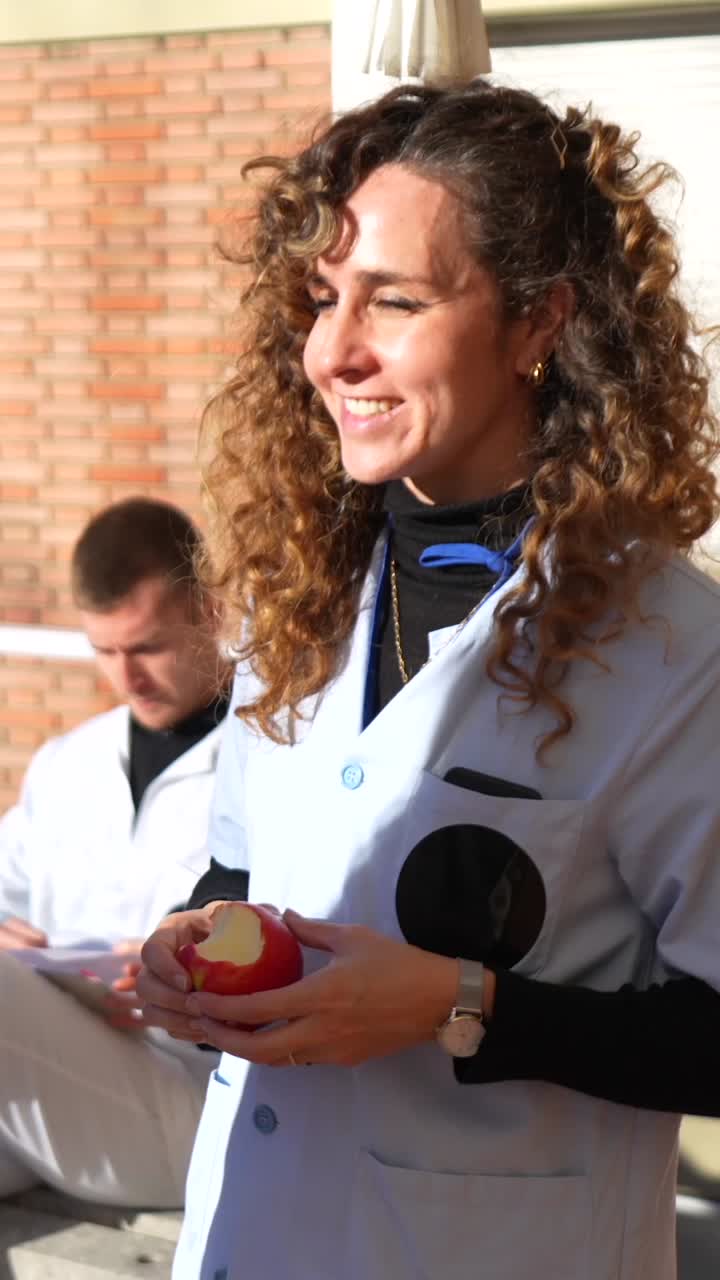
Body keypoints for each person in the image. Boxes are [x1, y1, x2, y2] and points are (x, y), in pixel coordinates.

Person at [136, 81, 720, 1279]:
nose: (332, 352)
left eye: (394, 301)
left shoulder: (674, 648)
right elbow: (245, 872)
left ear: (538, 323)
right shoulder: (288, 591)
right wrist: (188, 939)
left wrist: (460, 1000)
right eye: (320, 298)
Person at [0, 496, 229, 1207]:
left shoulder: (273, 758)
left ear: (210, 611)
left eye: (147, 648)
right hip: (52, 1097)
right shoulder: (68, 763)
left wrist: (176, 971)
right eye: (104, 651)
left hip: (195, 1104)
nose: (125, 678)